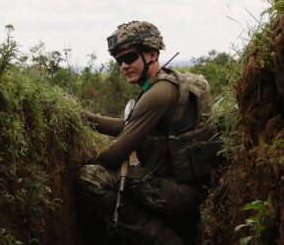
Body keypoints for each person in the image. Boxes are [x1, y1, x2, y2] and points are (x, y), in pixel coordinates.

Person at [78, 21, 217, 244]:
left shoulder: (159, 92)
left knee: (91, 177)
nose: (123, 65)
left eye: (130, 57)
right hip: (189, 185)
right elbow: (129, 126)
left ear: (152, 54)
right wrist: (84, 118)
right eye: (119, 60)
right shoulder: (168, 83)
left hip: (182, 193)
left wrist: (90, 162)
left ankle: (164, 240)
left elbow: (116, 153)